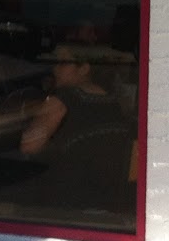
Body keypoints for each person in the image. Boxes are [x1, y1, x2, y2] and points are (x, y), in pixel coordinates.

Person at [19, 45, 134, 216]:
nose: (55, 69)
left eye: (62, 63)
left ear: (84, 68)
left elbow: (29, 145)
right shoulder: (114, 102)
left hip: (68, 203)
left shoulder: (63, 99)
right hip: (110, 201)